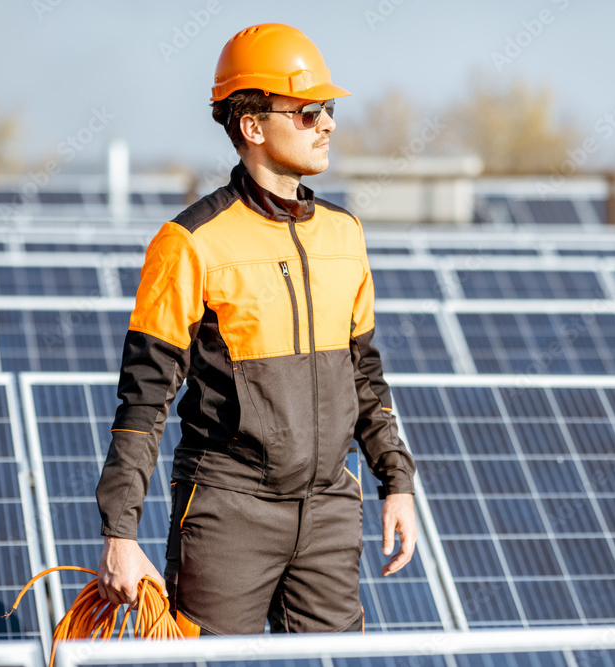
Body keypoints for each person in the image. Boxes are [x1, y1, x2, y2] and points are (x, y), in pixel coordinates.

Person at [94, 22, 417, 636]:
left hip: (328, 512)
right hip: (226, 513)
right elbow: (142, 402)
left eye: (327, 110)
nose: (327, 123)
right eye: (308, 110)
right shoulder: (188, 242)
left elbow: (364, 376)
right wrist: (120, 534)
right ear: (253, 125)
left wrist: (395, 481)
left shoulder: (345, 235)